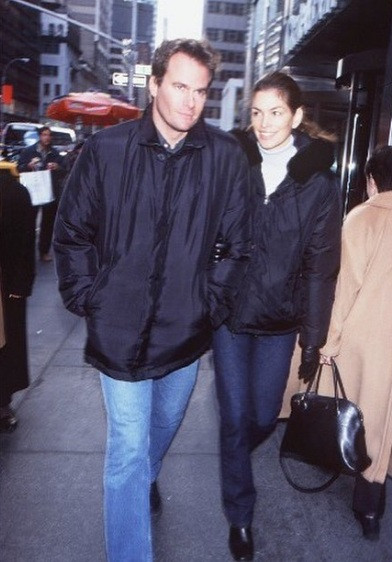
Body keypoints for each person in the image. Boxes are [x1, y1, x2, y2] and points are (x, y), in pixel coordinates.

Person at [53, 38, 251, 562]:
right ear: (155, 84)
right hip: (117, 330)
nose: (190, 101)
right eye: (180, 86)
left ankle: (147, 476)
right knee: (127, 449)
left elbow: (238, 245)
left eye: (201, 91)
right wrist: (89, 296)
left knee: (160, 430)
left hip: (185, 331)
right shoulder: (106, 150)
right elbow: (71, 232)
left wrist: (210, 303)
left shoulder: (225, 157)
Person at [212, 71, 342, 561]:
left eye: (276, 112)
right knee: (234, 417)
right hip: (228, 315)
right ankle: (240, 516)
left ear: (297, 116)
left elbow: (320, 266)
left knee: (265, 415)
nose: (264, 124)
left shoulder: (318, 183)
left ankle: (232, 456)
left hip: (278, 322)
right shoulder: (232, 163)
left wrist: (313, 337)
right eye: (257, 113)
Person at [319, 146, 392, 541]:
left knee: (349, 405)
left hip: (359, 330)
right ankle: (370, 509)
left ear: (371, 180)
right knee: (382, 415)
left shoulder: (361, 217)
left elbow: (346, 287)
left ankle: (340, 460)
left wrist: (331, 341)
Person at [0, 161, 36, 432]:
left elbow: (24, 243)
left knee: (6, 346)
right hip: (10, 284)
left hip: (6, 285)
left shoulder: (14, 191)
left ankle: (3, 403)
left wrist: (20, 284)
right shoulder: (16, 190)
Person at [18, 125, 64, 262]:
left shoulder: (55, 153)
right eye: (44, 135)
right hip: (33, 191)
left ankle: (44, 251)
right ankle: (28, 252)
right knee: (29, 222)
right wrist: (29, 165)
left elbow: (64, 170)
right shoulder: (29, 151)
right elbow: (19, 168)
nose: (47, 138)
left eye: (49, 135)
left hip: (49, 192)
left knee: (48, 223)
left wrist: (57, 167)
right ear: (39, 136)